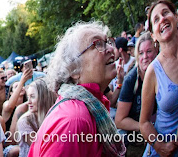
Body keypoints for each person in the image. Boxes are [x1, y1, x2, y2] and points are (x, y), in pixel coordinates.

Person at [28, 21, 126, 156]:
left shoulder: (89, 105)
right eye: (97, 44)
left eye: (108, 41)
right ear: (73, 70)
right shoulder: (74, 120)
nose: (110, 48)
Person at [140, 0, 178, 156]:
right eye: (156, 19)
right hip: (167, 152)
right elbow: (144, 122)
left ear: (176, 17)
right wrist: (159, 145)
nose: (162, 19)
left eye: (166, 13)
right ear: (153, 35)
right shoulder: (153, 71)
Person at [115, 32, 158, 156]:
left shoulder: (163, 73)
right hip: (136, 141)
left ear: (156, 51)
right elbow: (119, 120)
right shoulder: (131, 80)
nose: (145, 56)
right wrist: (146, 127)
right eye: (141, 53)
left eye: (149, 51)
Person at [16, 79, 56, 157]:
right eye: (28, 97)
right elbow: (39, 148)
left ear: (44, 98)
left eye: (32, 97)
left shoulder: (56, 116)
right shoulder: (25, 121)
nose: (28, 102)